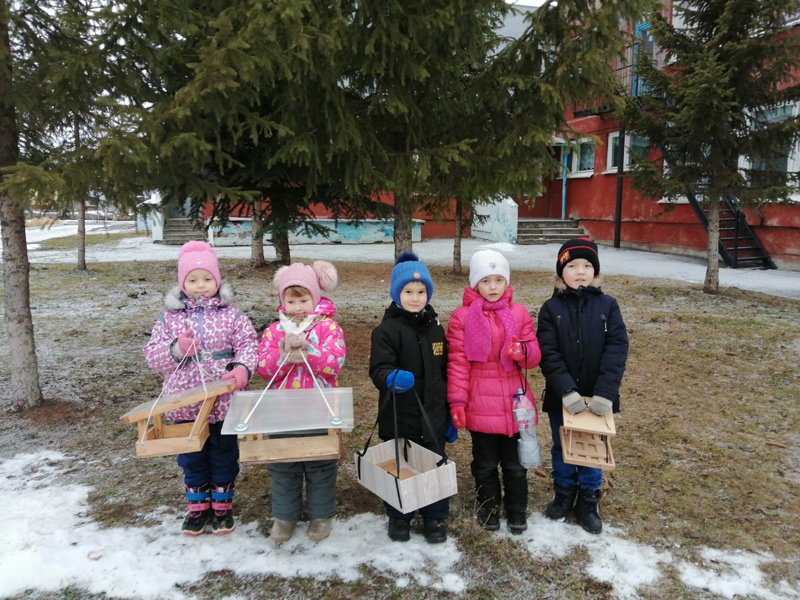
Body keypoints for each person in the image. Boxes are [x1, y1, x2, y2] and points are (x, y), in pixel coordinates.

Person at [143, 240, 258, 536]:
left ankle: (222, 506)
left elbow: (247, 344)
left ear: (217, 281)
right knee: (192, 456)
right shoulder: (170, 319)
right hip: (185, 404)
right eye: (193, 280)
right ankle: (197, 508)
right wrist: (176, 349)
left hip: (224, 402)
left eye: (207, 279)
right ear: (182, 283)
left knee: (223, 454)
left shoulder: (232, 315)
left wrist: (242, 367)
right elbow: (153, 355)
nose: (201, 285)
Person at [537, 238, 629, 534]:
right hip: (561, 397)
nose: (580, 271)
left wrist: (605, 392)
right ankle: (563, 492)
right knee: (562, 445)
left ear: (595, 271)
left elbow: (617, 349)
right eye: (572, 265)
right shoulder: (551, 308)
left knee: (592, 447)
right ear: (561, 272)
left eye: (587, 265)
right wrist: (565, 389)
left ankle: (589, 499)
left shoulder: (608, 306)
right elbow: (547, 352)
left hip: (597, 397)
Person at [446, 249, 541, 535]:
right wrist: (458, 402)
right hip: (480, 403)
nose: (493, 287)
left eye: (499, 280)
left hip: (515, 403)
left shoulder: (518, 312)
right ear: (475, 284)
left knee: (515, 464)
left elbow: (534, 356)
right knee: (485, 463)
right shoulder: (462, 317)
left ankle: (516, 511)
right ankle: (488, 508)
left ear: (506, 282)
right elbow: (458, 363)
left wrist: (521, 351)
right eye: (486, 281)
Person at [256, 261, 345, 543]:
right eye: (291, 300)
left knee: (320, 464)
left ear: (315, 298)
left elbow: (336, 363)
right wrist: (282, 355)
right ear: (282, 300)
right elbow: (263, 368)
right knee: (284, 464)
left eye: (303, 299)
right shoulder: (273, 332)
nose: (297, 307)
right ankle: (285, 516)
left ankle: (321, 515)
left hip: (319, 409)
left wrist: (311, 352)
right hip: (282, 412)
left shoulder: (328, 328)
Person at [369, 252, 450, 544]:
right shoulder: (386, 331)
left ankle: (435, 517)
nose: (415, 298)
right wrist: (390, 378)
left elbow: (444, 372)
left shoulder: (436, 328)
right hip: (399, 416)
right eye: (408, 292)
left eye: (421, 292)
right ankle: (399, 516)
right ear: (396, 293)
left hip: (433, 417)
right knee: (401, 467)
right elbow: (378, 369)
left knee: (433, 467)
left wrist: (448, 413)